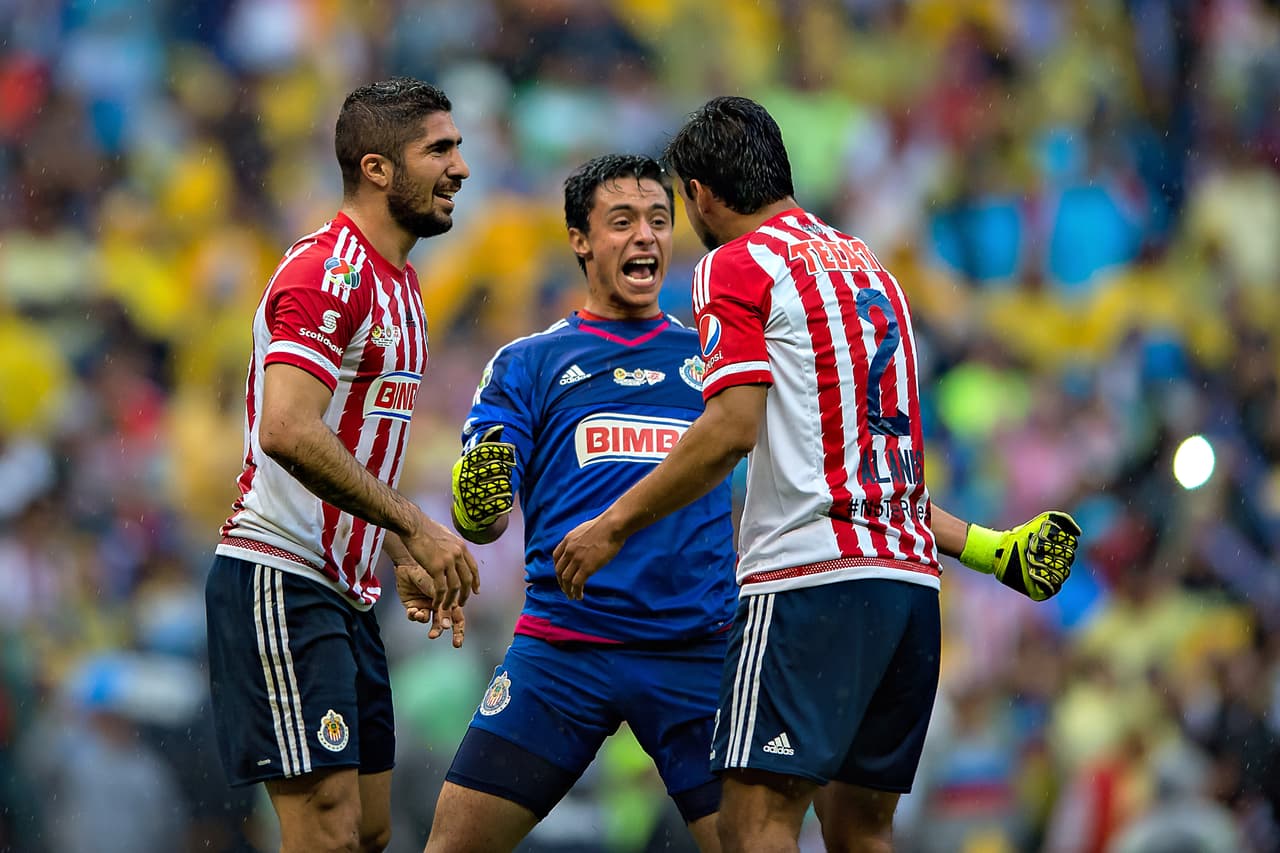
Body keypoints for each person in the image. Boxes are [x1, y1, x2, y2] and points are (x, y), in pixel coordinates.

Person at [553, 96, 1081, 853]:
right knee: (862, 829)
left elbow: (731, 429)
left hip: (810, 583)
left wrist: (611, 526)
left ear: (700, 194)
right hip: (906, 591)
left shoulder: (733, 265)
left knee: (756, 822)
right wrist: (986, 547)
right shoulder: (872, 269)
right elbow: (867, 467)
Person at [423, 154, 738, 853]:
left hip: (695, 650)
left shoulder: (717, 359)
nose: (646, 238)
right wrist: (479, 501)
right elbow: (484, 516)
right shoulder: (527, 363)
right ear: (579, 238)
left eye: (659, 220)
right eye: (621, 222)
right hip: (564, 650)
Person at [204, 77, 480, 853]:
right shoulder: (326, 271)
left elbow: (353, 451)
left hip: (344, 591)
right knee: (324, 827)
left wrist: (396, 548)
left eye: (457, 146)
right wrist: (415, 525)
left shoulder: (406, 288)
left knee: (367, 830)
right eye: (440, 149)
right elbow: (288, 429)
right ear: (377, 168)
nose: (460, 167)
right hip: (280, 573)